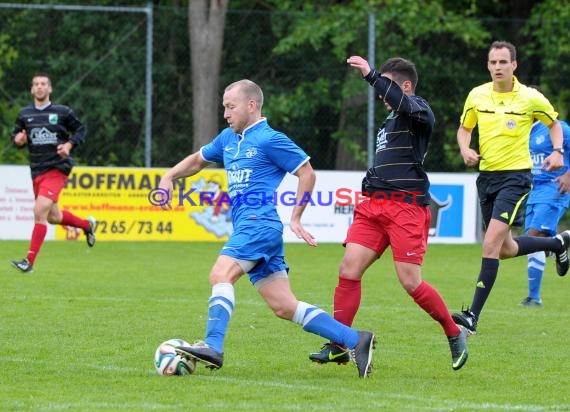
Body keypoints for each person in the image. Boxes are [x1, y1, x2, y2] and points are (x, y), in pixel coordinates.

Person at [158, 79, 376, 378]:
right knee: (284, 307)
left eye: (230, 107)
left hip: (258, 225)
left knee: (220, 274)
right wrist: (169, 176)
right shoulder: (227, 138)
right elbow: (198, 160)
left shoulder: (269, 138)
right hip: (259, 231)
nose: (225, 113)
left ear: (251, 106)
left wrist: (296, 217)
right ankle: (356, 340)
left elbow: (306, 173)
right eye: (224, 107)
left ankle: (212, 346)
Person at [308, 56, 469, 371]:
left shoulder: (419, 111)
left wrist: (371, 75)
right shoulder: (390, 122)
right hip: (374, 207)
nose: (382, 95)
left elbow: (402, 103)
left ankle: (454, 332)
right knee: (348, 269)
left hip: (406, 208)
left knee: (411, 282)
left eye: (388, 86)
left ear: (405, 86)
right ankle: (339, 343)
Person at [453, 41, 570, 332]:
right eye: (493, 62)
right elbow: (465, 128)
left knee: (490, 243)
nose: (497, 67)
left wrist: (557, 151)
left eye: (503, 62)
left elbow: (554, 123)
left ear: (514, 65)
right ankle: (557, 243)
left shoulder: (530, 98)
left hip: (516, 178)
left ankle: (472, 316)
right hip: (487, 178)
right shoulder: (477, 95)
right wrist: (465, 149)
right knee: (505, 249)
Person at [10, 73, 96, 273]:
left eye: (43, 84)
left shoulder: (62, 112)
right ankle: (87, 225)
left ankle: (29, 262)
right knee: (53, 217)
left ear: (50, 89)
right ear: (32, 89)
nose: (40, 87)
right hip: (37, 170)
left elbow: (80, 130)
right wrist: (18, 140)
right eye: (36, 84)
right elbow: (16, 136)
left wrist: (69, 145)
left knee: (39, 212)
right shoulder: (24, 114)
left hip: (57, 168)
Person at [520, 109, 570, 307]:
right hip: (533, 190)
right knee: (531, 243)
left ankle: (534, 297)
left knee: (533, 237)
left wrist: (568, 176)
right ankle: (558, 245)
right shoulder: (523, 131)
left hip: (554, 187)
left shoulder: (559, 128)